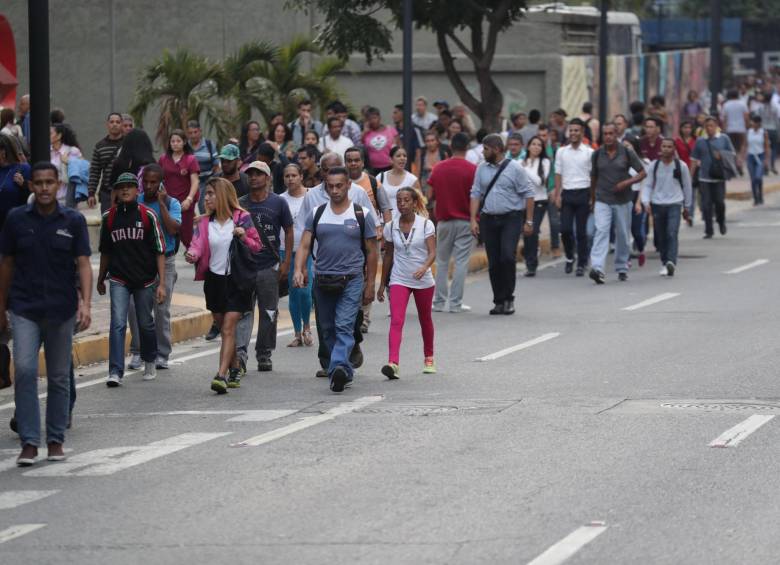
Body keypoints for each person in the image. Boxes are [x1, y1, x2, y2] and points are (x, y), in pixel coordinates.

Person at [0, 162, 92, 466]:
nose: (43, 188)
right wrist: (1, 307)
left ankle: (54, 440)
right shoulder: (15, 220)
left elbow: (82, 264)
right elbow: (7, 266)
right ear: (31, 186)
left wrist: (86, 304)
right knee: (25, 371)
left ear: (58, 184)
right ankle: (29, 441)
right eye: (38, 183)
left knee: (58, 377)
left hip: (61, 310)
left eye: (49, 182)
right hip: (24, 308)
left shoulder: (74, 221)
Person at [293, 167, 378, 393]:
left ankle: (340, 366)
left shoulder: (361, 214)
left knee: (343, 325)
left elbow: (372, 250)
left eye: (339, 185)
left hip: (351, 279)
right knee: (327, 328)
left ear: (348, 185)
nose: (334, 190)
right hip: (323, 279)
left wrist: (370, 284)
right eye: (330, 186)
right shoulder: (318, 213)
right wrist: (298, 270)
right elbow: (304, 244)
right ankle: (341, 370)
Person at [185, 178, 261, 393]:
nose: (206, 198)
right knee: (222, 326)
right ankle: (235, 366)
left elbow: (257, 247)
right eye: (205, 194)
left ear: (223, 195)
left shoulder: (242, 218)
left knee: (228, 328)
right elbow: (197, 245)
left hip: (237, 281)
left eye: (210, 193)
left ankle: (221, 375)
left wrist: (244, 236)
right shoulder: (203, 223)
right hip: (214, 281)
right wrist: (191, 255)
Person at [97, 172, 166, 387]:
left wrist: (162, 283)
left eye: (129, 186)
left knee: (145, 322)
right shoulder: (109, 218)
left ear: (138, 190)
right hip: (118, 278)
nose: (125, 190)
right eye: (121, 186)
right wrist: (101, 278)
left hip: (144, 279)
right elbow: (105, 251)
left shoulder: (148, 216)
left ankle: (149, 360)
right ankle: (115, 371)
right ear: (116, 192)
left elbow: (159, 250)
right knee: (117, 323)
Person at [235, 161, 293, 374]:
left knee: (269, 312)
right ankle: (240, 354)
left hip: (269, 266)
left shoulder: (279, 203)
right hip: (244, 267)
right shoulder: (240, 203)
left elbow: (288, 230)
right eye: (250, 174)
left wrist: (286, 262)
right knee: (243, 312)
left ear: (268, 178)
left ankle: (264, 353)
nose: (253, 178)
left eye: (258, 174)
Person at [470, 134, 535, 315]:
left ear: (497, 149)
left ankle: (509, 298)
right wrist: (472, 219)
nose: (483, 152)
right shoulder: (481, 169)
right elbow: (475, 193)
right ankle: (498, 300)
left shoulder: (515, 168)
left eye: (486, 149)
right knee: (494, 261)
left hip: (511, 219)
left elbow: (529, 194)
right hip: (489, 220)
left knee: (507, 257)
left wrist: (529, 221)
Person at [127, 164, 181, 370]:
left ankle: (162, 353)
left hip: (165, 261)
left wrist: (162, 205)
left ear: (161, 183)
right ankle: (138, 352)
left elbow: (174, 229)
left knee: (161, 309)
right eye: (146, 182)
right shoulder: (135, 202)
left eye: (153, 182)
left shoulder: (171, 202)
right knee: (134, 308)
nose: (148, 186)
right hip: (141, 262)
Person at [378, 187, 436, 379]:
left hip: (423, 280)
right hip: (399, 278)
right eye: (399, 201)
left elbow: (432, 252)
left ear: (414, 203)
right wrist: (381, 284)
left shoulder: (426, 225)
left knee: (425, 319)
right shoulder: (390, 226)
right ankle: (393, 363)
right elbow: (388, 256)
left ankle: (429, 357)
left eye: (406, 200)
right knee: (396, 320)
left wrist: (424, 267)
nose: (402, 204)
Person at [588, 123, 647, 284]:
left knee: (622, 234)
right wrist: (592, 200)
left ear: (616, 135)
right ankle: (597, 268)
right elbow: (593, 178)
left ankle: (621, 266)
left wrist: (626, 183)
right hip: (602, 199)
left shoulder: (626, 152)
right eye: (605, 134)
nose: (607, 137)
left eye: (611, 134)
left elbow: (642, 173)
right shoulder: (597, 154)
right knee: (601, 231)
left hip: (622, 200)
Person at [427, 132, 476, 313]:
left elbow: (430, 195)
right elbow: (476, 195)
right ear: (467, 147)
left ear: (450, 147)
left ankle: (439, 302)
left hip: (444, 220)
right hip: (465, 221)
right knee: (461, 262)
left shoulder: (438, 168)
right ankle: (456, 303)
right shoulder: (473, 169)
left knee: (441, 262)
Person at [344, 146, 391, 333]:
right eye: (349, 160)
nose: (353, 163)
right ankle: (352, 312)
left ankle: (365, 316)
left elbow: (386, 209)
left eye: (356, 160)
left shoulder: (373, 183)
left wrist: (388, 233)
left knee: (368, 273)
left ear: (363, 162)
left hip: (371, 237)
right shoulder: (339, 183)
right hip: (348, 237)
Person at [642, 138, 693, 277]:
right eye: (664, 146)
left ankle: (671, 261)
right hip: (657, 204)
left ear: (674, 149)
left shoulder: (681, 166)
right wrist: (646, 202)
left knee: (672, 232)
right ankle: (664, 262)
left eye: (669, 147)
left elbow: (687, 187)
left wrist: (687, 207)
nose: (666, 149)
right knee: (661, 236)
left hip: (675, 204)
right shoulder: (654, 166)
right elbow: (647, 184)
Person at [553, 118, 594, 276]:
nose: (573, 133)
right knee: (565, 229)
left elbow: (592, 176)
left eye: (577, 130)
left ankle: (582, 263)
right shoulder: (561, 151)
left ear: (582, 133)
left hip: (583, 193)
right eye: (571, 130)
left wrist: (592, 197)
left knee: (581, 232)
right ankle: (570, 256)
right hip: (567, 194)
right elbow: (558, 173)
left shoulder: (589, 152)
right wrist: (558, 194)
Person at [279, 163, 313, 347]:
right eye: (287, 176)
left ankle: (307, 326)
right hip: (286, 250)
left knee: (305, 291)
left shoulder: (311, 196)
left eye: (294, 175)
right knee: (293, 292)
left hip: (306, 251)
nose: (290, 179)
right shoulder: (280, 199)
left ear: (301, 176)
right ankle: (297, 333)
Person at [690, 116, 736, 239]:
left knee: (720, 202)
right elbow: (694, 159)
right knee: (706, 204)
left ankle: (721, 221)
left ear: (716, 126)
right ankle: (708, 230)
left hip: (719, 177)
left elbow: (732, 154)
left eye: (712, 126)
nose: (709, 128)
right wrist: (690, 176)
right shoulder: (700, 141)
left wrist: (721, 155)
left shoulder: (724, 138)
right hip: (704, 177)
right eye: (707, 126)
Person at [159, 129, 199, 248]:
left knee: (187, 238)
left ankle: (197, 261)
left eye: (178, 141)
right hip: (167, 203)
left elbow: (195, 181)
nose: (175, 143)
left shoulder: (190, 159)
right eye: (172, 141)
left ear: (184, 142)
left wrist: (189, 199)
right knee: (166, 236)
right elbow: (158, 179)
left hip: (184, 204)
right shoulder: (163, 159)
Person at [520, 136, 552, 277]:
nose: (536, 147)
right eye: (533, 144)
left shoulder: (545, 162)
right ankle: (529, 261)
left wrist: (524, 169)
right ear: (528, 146)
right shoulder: (522, 161)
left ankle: (532, 265)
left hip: (539, 201)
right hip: (523, 202)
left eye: (539, 145)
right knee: (526, 233)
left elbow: (539, 181)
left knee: (532, 231)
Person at [87, 113, 124, 211]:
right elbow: (95, 171)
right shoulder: (100, 146)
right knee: (107, 222)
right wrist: (91, 193)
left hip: (125, 189)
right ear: (107, 125)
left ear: (121, 124)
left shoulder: (128, 144)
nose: (115, 124)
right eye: (112, 122)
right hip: (107, 192)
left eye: (118, 122)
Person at [378, 146, 421, 218]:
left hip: (405, 223)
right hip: (384, 223)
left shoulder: (412, 180)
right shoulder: (380, 177)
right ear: (391, 159)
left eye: (404, 156)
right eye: (398, 156)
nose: (402, 158)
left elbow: (419, 205)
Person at [187, 120, 220, 214]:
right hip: (189, 183)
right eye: (190, 133)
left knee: (204, 206)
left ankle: (206, 225)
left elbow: (216, 165)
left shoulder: (209, 144)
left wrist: (215, 182)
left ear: (200, 131)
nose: (193, 135)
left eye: (195, 132)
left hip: (206, 181)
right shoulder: (185, 147)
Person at [0, 134, 31, 230]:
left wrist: (23, 185)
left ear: (3, 152)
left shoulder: (22, 169)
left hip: (15, 225)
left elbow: (32, 197)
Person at [49, 123, 82, 205]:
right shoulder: (47, 151)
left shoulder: (72, 151)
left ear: (59, 136)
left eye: (50, 133)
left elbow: (80, 172)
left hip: (67, 197)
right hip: (50, 197)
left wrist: (68, 162)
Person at [361, 107, 399, 174]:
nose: (373, 121)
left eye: (375, 118)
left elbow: (398, 148)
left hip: (390, 167)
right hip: (372, 169)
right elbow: (360, 145)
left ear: (379, 118)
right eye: (370, 119)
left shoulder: (390, 130)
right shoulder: (366, 133)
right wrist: (364, 132)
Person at [721, 89, 749, 175]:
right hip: (741, 129)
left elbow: (724, 119)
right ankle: (739, 163)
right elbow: (746, 117)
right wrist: (747, 127)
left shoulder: (726, 105)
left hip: (730, 129)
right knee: (742, 147)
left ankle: (733, 165)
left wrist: (724, 129)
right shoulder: (742, 104)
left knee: (731, 149)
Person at [674, 121, 697, 222]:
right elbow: (675, 156)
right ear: (681, 129)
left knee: (691, 192)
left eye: (689, 127)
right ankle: (682, 211)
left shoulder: (696, 141)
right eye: (685, 127)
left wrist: (691, 173)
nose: (687, 130)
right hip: (680, 170)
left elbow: (696, 158)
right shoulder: (677, 141)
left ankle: (690, 214)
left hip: (693, 169)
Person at [746, 114, 770, 205]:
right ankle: (755, 198)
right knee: (752, 179)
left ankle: (760, 195)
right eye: (753, 122)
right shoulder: (749, 132)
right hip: (751, 156)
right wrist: (741, 156)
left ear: (759, 123)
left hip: (760, 156)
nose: (754, 124)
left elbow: (767, 146)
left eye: (756, 122)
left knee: (758, 177)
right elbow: (745, 145)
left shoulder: (763, 132)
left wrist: (766, 159)